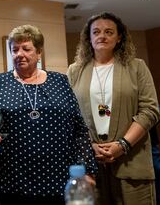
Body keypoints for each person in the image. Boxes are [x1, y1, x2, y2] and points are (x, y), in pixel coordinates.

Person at [0, 25, 97, 205]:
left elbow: (79, 130)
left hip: (59, 178)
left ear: (39, 52)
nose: (19, 54)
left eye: (26, 49)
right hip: (11, 179)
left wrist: (87, 169)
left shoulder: (59, 81)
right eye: (14, 49)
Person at [67, 12, 160, 204]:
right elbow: (70, 115)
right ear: (89, 38)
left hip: (132, 160)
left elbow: (150, 110)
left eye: (109, 32)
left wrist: (123, 145)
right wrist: (89, 146)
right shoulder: (74, 71)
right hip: (91, 161)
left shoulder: (137, 67)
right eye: (96, 32)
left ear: (119, 38)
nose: (102, 36)